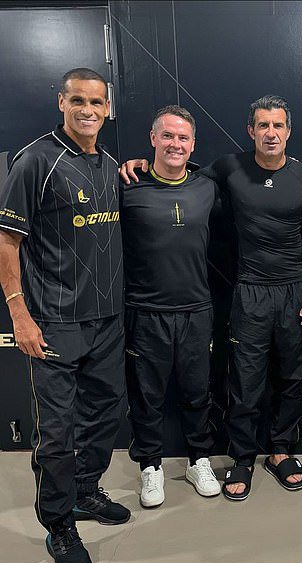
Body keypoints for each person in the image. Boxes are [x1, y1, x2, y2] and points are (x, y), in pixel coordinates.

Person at [120, 95, 302, 501]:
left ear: (288, 131)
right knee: (244, 382)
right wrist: (138, 163)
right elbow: (179, 171)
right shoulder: (228, 169)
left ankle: (281, 451)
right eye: (262, 125)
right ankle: (243, 457)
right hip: (248, 291)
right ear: (251, 131)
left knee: (291, 378)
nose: (271, 133)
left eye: (278, 126)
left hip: (295, 291)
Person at [0, 68, 129, 563]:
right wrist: (19, 314)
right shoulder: (35, 160)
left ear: (108, 107)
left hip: (107, 321)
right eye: (78, 100)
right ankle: (58, 524)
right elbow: (7, 243)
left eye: (97, 101)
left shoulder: (111, 164)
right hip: (53, 321)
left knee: (103, 416)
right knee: (57, 433)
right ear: (61, 102)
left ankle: (84, 493)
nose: (87, 109)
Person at [120, 105, 221, 508]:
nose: (175, 144)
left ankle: (199, 460)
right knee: (147, 396)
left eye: (183, 138)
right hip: (146, 313)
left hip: (197, 310)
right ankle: (151, 467)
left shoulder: (207, 186)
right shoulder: (127, 185)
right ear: (152, 138)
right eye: (168, 136)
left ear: (193, 144)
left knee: (198, 391)